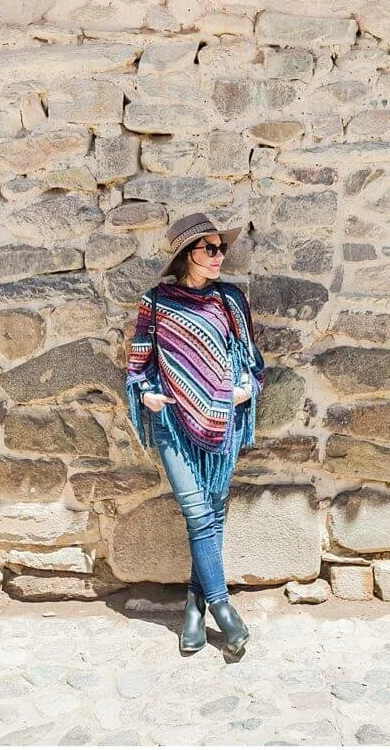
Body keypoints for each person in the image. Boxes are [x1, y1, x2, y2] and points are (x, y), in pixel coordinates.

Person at [127, 213, 263, 658]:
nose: (219, 256)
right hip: (172, 424)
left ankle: (192, 609)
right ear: (187, 254)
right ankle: (223, 609)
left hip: (223, 423)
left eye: (221, 248)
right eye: (210, 248)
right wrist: (146, 394)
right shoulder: (157, 302)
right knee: (198, 514)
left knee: (211, 517)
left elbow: (248, 358)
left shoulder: (231, 300)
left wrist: (246, 388)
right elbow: (141, 362)